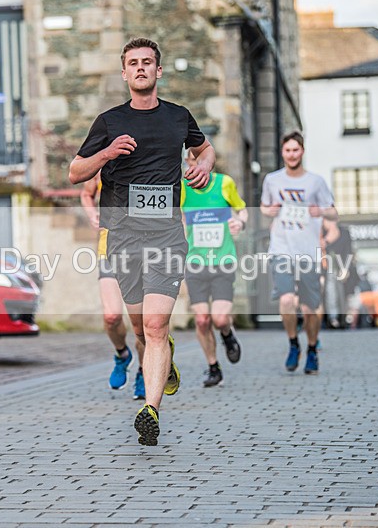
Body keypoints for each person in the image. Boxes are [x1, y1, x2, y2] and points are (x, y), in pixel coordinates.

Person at [69, 37, 215, 446]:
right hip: (122, 236)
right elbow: (74, 172)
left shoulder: (178, 117)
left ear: (158, 71)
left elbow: (206, 149)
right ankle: (161, 357)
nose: (140, 68)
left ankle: (149, 410)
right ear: (124, 72)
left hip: (167, 234)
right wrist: (107, 153)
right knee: (138, 325)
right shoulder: (109, 122)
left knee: (154, 323)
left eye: (147, 62)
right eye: (132, 63)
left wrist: (202, 165)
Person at [260, 131, 337, 374]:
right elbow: (264, 208)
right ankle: (294, 343)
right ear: (282, 153)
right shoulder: (272, 180)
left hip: (308, 252)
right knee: (286, 300)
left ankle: (312, 348)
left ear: (302, 151)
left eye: (295, 150)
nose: (292, 154)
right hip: (281, 248)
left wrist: (321, 212)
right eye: (287, 150)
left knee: (310, 307)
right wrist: (269, 210)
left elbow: (334, 213)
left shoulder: (316, 182)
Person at [180, 156, 247, 387]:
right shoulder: (181, 189)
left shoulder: (224, 183)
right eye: (190, 160)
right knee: (201, 320)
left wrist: (239, 222)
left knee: (219, 319)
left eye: (199, 160)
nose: (194, 165)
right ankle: (213, 366)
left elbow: (242, 209)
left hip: (222, 261)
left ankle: (227, 335)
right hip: (195, 262)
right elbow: (177, 219)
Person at [80, 171, 146, 399]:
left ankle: (143, 371)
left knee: (143, 324)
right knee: (111, 316)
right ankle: (122, 354)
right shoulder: (103, 162)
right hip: (109, 248)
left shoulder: (150, 159)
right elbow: (87, 194)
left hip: (144, 249)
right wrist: (91, 214)